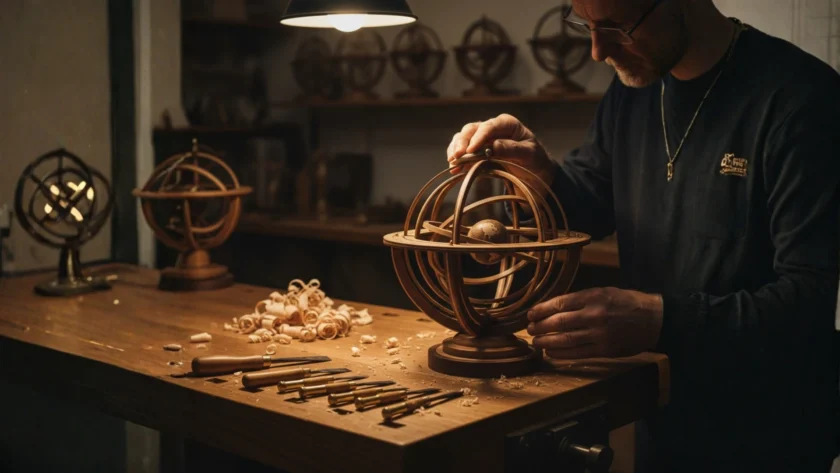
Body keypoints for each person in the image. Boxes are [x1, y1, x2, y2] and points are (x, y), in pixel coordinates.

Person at [446, 0, 840, 471]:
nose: (596, 50)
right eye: (586, 25)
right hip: (664, 415)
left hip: (768, 435)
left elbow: (806, 305)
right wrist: (543, 174)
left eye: (616, 27)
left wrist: (659, 319)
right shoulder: (634, 87)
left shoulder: (802, 97)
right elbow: (592, 202)